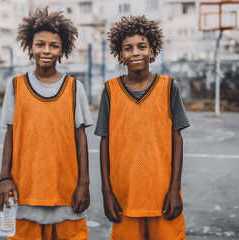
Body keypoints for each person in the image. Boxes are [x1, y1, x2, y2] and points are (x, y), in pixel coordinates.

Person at [0, 7, 92, 240]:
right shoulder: (16, 86)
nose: (46, 50)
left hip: (66, 194)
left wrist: (84, 184)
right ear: (30, 47)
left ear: (63, 50)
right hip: (25, 193)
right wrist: (4, 177)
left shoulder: (74, 87)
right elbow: (10, 133)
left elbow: (81, 138)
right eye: (40, 44)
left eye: (54, 45)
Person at [94, 15, 190, 240]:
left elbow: (177, 139)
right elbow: (104, 142)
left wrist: (175, 189)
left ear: (152, 50)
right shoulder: (110, 90)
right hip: (125, 197)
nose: (135, 52)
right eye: (128, 48)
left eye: (142, 46)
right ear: (120, 54)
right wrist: (107, 192)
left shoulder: (169, 87)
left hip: (163, 196)